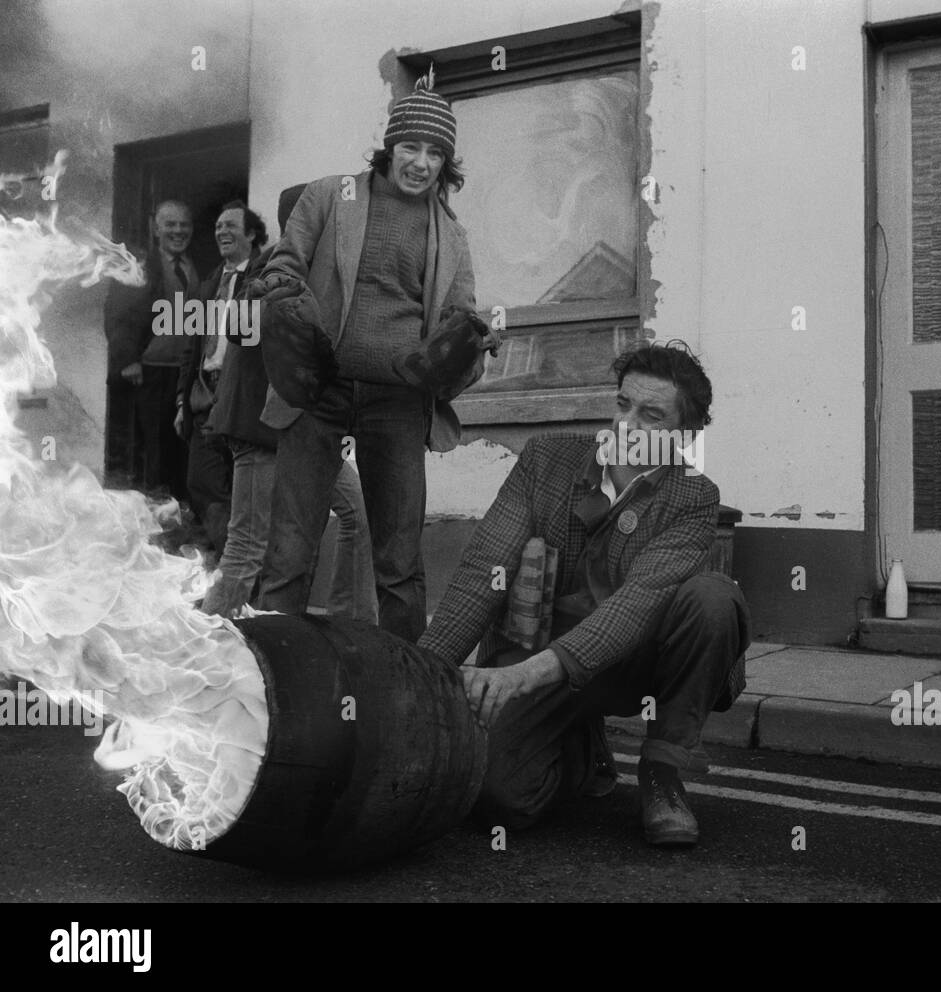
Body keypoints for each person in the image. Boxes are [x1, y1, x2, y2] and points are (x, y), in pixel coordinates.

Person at [417, 343, 750, 847]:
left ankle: (662, 775)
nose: (627, 425)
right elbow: (483, 571)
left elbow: (635, 607)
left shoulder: (693, 498)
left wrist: (520, 678)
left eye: (652, 416)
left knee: (713, 598)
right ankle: (580, 748)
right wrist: (419, 682)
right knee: (500, 800)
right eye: (623, 405)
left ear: (685, 434)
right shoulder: (547, 460)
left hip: (636, 662)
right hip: (548, 659)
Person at [255, 69, 478, 642]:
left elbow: (461, 319)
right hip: (318, 387)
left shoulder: (452, 238)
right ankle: (274, 677)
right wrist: (282, 292)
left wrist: (469, 343)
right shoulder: (332, 195)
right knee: (289, 551)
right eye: (410, 146)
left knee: (399, 562)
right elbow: (284, 261)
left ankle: (406, 687)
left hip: (399, 401)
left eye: (435, 153)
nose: (420, 162)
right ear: (388, 149)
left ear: (445, 164)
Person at [202, 186, 376, 623]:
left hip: (305, 429)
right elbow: (242, 333)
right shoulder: (273, 266)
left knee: (358, 511)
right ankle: (203, 646)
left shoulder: (321, 267)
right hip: (261, 428)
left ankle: (347, 627)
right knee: (247, 548)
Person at [175, 200, 266, 556]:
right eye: (217, 227)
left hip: (243, 397)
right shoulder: (209, 284)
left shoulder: (263, 276)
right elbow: (190, 350)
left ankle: (242, 572)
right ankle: (230, 565)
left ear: (252, 233)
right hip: (204, 396)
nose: (221, 232)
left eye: (230, 225)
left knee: (246, 488)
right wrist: (182, 401)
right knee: (202, 483)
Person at [103, 200, 199, 499]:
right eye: (170, 225)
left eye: (184, 225)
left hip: (180, 374)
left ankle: (173, 515)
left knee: (176, 446)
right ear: (155, 229)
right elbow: (119, 314)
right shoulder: (140, 265)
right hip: (149, 371)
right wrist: (129, 360)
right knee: (149, 449)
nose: (178, 231)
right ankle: (150, 517)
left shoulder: (190, 267)